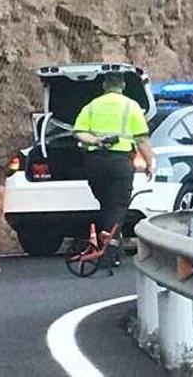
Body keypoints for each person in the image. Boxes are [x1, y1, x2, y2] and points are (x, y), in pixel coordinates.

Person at [73, 72, 156, 266]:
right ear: (123, 86)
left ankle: (114, 250)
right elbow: (142, 139)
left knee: (107, 205)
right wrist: (149, 162)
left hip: (94, 162)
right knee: (117, 206)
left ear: (104, 86)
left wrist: (96, 141)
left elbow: (78, 132)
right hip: (119, 162)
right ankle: (108, 252)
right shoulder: (131, 106)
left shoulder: (91, 106)